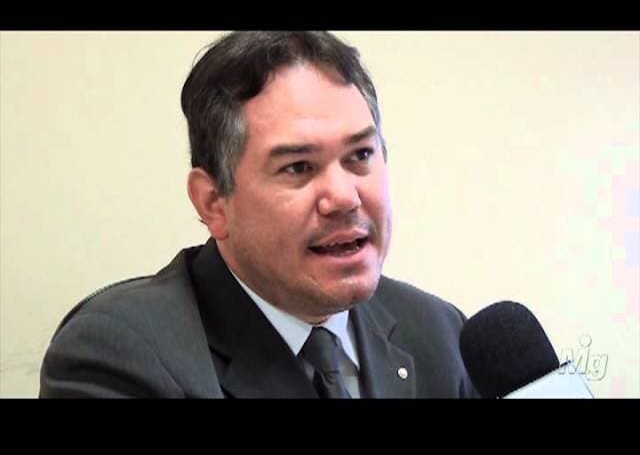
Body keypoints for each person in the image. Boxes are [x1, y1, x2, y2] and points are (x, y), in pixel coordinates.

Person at [40, 31, 478, 398]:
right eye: (298, 167)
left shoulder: (439, 333)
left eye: (360, 155)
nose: (344, 198)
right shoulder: (118, 355)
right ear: (213, 203)